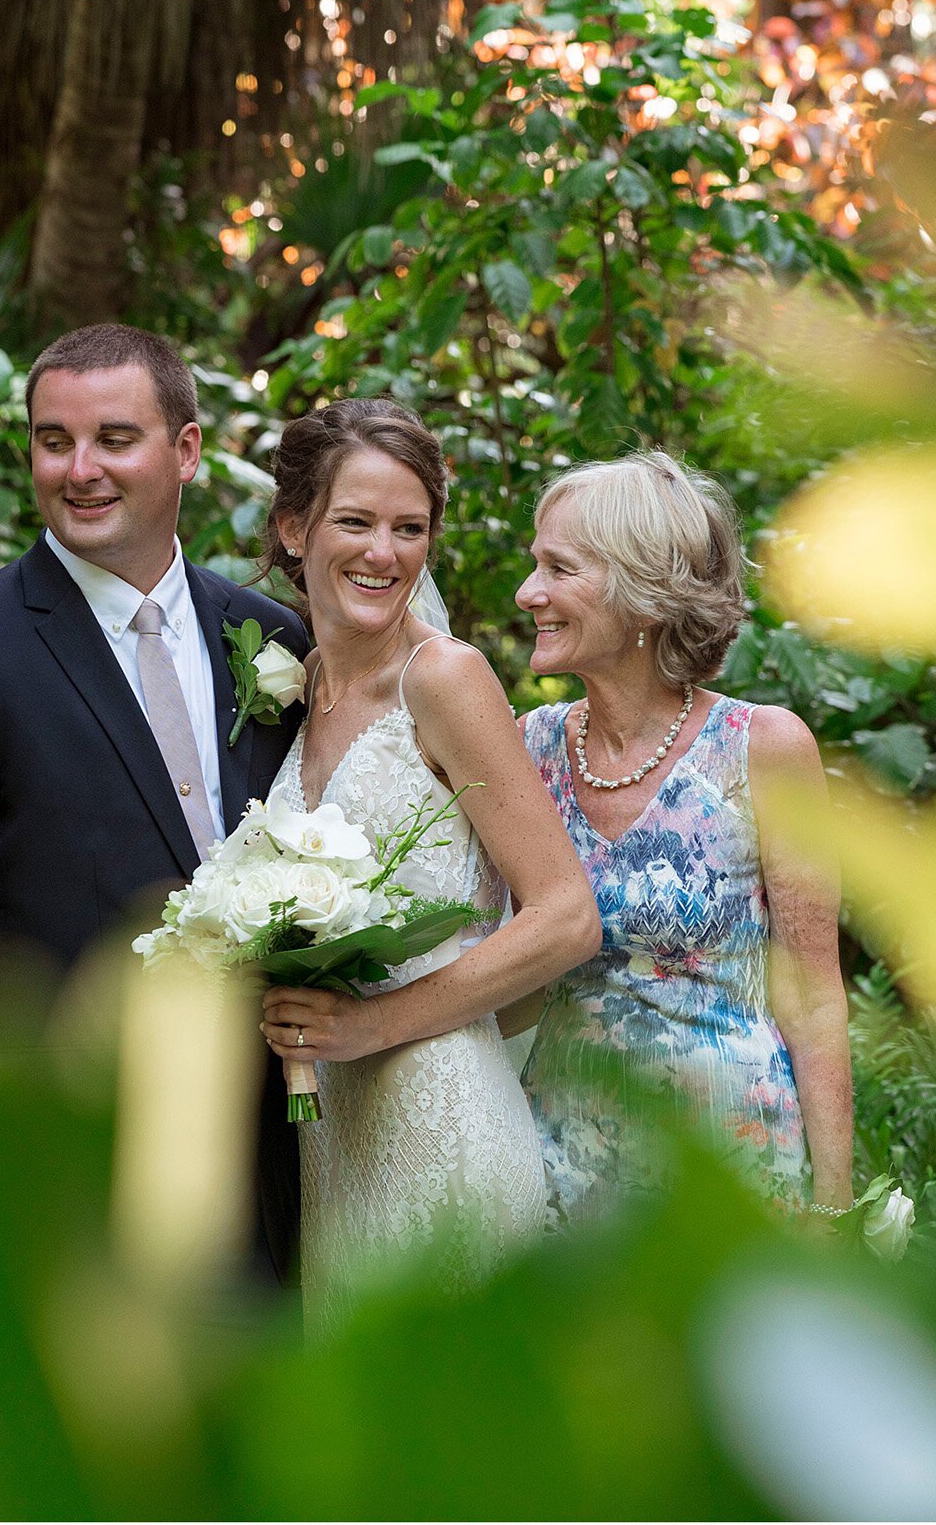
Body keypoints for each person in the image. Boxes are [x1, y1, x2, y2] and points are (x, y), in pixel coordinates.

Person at [0, 323, 310, 1284]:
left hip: (282, 1153)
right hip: (79, 1162)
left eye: (113, 438)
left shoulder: (273, 638)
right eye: (53, 441)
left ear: (184, 451)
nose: (79, 469)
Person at [251, 399, 599, 1331]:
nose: (384, 554)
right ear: (295, 527)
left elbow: (566, 914)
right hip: (336, 1145)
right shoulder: (299, 685)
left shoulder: (444, 680)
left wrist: (371, 1026)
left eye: (411, 529)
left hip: (444, 1122)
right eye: (356, 522)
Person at [507, 451, 853, 1221]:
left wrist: (835, 1211)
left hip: (730, 1168)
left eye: (559, 569)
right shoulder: (526, 748)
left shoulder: (762, 747)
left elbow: (814, 996)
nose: (528, 593)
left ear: (644, 595)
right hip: (564, 1166)